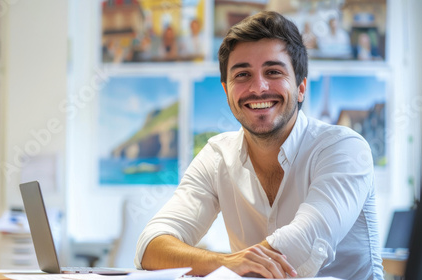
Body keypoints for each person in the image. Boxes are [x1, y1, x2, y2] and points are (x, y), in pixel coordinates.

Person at [135, 11, 384, 280]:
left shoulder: (344, 148)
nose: (258, 87)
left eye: (273, 71)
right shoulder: (216, 156)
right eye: (242, 74)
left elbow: (300, 248)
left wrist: (224, 266)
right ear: (227, 90)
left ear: (301, 87)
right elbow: (150, 247)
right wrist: (228, 263)